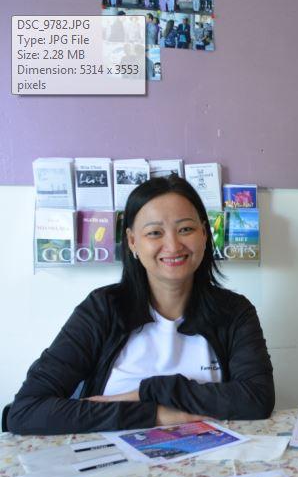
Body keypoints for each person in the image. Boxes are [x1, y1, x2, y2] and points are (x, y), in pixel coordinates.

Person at [3, 176, 275, 435]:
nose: (173, 245)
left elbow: (257, 399)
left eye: (186, 229)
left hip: (212, 459)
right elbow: (25, 411)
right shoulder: (102, 309)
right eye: (155, 233)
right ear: (132, 241)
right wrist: (155, 415)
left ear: (204, 234)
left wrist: (148, 391)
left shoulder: (234, 312)